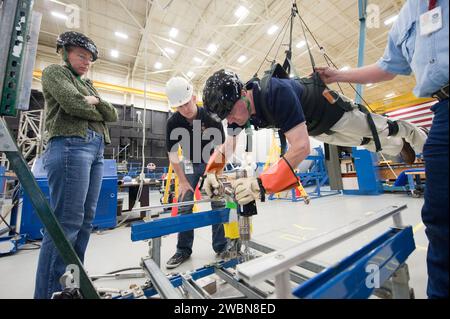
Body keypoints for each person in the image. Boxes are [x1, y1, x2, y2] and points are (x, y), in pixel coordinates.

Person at [316, 0, 448, 299]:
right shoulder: (408, 16)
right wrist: (337, 75)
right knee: (440, 218)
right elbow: (387, 68)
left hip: (420, 125)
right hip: (443, 109)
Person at [201, 65, 427, 206]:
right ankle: (399, 148)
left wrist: (260, 185)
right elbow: (229, 144)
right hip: (318, 128)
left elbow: (300, 148)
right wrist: (211, 172)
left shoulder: (275, 92)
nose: (229, 120)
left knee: (378, 130)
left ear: (242, 93)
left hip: (334, 111)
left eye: (230, 112)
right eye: (225, 117)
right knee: (366, 144)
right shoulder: (239, 112)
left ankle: (418, 136)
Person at [35, 31, 118, 299]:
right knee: (66, 222)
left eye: (90, 59)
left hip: (95, 150)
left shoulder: (89, 85)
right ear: (65, 53)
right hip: (71, 145)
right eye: (81, 56)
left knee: (85, 220)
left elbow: (113, 114)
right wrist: (96, 108)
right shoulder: (54, 73)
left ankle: (71, 283)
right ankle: (49, 292)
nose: (86, 62)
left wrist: (96, 102)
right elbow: (72, 104)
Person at [164, 77, 228, 269]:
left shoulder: (211, 116)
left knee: (218, 203)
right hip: (189, 163)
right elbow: (173, 154)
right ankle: (183, 250)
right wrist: (182, 181)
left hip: (212, 162)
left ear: (193, 96)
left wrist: (214, 172)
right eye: (179, 107)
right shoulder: (173, 122)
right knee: (184, 206)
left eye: (186, 103)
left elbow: (222, 148)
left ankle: (221, 246)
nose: (184, 109)